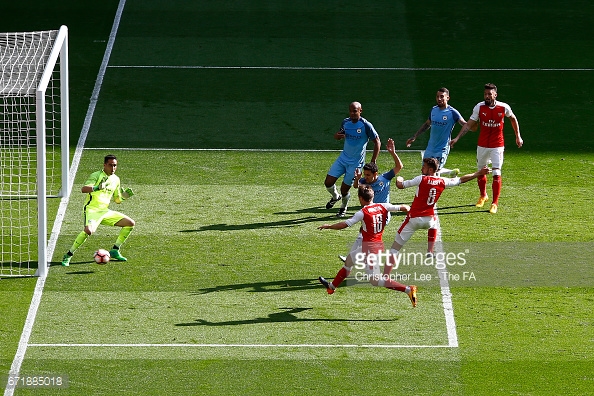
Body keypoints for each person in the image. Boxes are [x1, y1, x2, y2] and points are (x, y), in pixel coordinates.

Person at [317, 185, 416, 307]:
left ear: (360, 198)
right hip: (375, 246)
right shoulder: (383, 206)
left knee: (376, 281)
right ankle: (331, 287)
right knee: (349, 261)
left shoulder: (362, 212)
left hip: (370, 250)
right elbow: (404, 207)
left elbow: (345, 224)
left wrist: (329, 226)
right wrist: (411, 212)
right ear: (372, 196)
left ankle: (408, 289)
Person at [386, 158, 490, 263]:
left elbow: (400, 186)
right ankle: (430, 251)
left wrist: (399, 179)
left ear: (430, 170)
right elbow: (461, 180)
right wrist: (479, 173)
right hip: (429, 220)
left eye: (424, 167)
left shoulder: (421, 179)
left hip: (414, 219)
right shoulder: (442, 181)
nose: (422, 168)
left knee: (395, 247)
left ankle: (386, 273)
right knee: (434, 222)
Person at [449, 83, 523, 214]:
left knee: (496, 173)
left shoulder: (503, 107)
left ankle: (495, 203)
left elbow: (513, 119)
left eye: (489, 94)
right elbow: (469, 124)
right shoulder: (479, 107)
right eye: (485, 94)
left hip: (497, 145)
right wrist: (457, 138)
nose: (487, 96)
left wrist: (518, 136)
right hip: (482, 145)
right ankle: (483, 195)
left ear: (495, 95)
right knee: (481, 171)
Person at [61, 154, 136, 266]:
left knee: (130, 223)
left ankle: (115, 250)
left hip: (104, 211)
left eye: (115, 165)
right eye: (110, 165)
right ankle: (68, 255)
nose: (113, 168)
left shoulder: (116, 179)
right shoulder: (96, 175)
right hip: (92, 210)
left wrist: (124, 196)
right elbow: (83, 189)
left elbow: (117, 200)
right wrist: (97, 187)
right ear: (105, 165)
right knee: (88, 231)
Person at [324, 101, 381, 218]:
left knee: (344, 189)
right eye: (350, 111)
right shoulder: (345, 122)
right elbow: (339, 135)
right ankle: (336, 197)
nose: (352, 113)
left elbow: (377, 141)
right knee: (328, 182)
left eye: (355, 111)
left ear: (360, 111)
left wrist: (373, 160)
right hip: (343, 159)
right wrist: (336, 136)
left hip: (356, 163)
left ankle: (343, 207)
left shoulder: (366, 125)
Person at [406, 87, 466, 177]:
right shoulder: (434, 110)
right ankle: (450, 172)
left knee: (434, 172)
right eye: (437, 96)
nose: (439, 99)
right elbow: (427, 124)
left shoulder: (453, 112)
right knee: (424, 172)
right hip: (430, 148)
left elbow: (465, 125)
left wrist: (457, 138)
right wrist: (415, 136)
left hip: (442, 149)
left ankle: (438, 185)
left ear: (448, 98)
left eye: (442, 96)